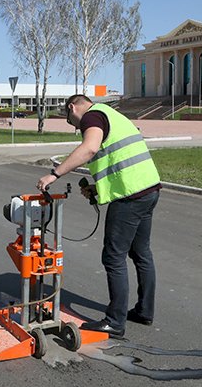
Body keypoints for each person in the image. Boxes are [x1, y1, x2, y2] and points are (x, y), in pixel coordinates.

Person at [36, 94, 161, 339]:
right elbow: (118, 160)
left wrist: (54, 174)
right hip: (148, 189)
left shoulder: (92, 116)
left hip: (130, 197)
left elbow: (90, 148)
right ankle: (144, 311)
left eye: (72, 122)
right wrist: (98, 188)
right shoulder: (112, 114)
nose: (76, 127)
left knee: (113, 257)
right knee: (141, 253)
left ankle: (115, 322)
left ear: (72, 107)